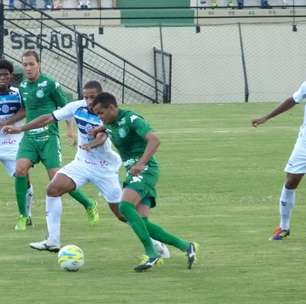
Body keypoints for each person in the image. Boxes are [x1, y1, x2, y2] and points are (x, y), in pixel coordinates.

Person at [3, 81, 171, 258]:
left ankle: (155, 244)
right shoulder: (76, 107)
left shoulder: (105, 114)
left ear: (100, 97)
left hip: (104, 169)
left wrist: (92, 144)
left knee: (122, 214)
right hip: (81, 164)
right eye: (86, 96)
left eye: (92, 97)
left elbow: (102, 135)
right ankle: (53, 241)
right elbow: (47, 118)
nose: (89, 100)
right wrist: (20, 128)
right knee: (53, 189)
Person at [91, 92, 199, 272]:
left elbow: (155, 140)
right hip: (133, 172)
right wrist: (97, 130)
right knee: (142, 223)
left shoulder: (132, 119)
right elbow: (107, 128)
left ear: (112, 108)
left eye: (100, 113)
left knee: (125, 207)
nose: (99, 117)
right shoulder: (110, 123)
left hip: (146, 170)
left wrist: (141, 163)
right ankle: (187, 246)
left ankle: (152, 253)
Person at [9, 50, 99, 231]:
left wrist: (70, 131)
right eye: (24, 64)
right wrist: (10, 123)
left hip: (49, 138)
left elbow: (67, 109)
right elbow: (27, 110)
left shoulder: (50, 84)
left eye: (31, 64)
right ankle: (23, 216)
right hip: (29, 138)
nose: (27, 68)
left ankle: (89, 204)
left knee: (57, 179)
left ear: (39, 64)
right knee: (20, 170)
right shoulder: (23, 87)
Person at [252, 81, 306, 240]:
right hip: (304, 143)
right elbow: (292, 100)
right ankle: (284, 226)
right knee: (291, 180)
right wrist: (266, 117)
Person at [0, 59, 33, 223]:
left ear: (11, 76)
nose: (2, 78)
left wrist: (6, 122)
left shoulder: (18, 92)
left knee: (22, 175)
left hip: (12, 141)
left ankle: (26, 214)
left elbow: (25, 110)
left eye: (5, 75)